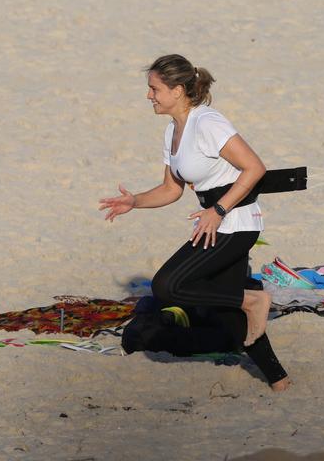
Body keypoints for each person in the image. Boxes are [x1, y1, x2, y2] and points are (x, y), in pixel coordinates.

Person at [99, 54, 290, 391]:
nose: (149, 96)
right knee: (231, 318)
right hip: (216, 223)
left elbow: (254, 167)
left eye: (154, 88)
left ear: (177, 90)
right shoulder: (174, 131)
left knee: (166, 286)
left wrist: (217, 210)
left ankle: (254, 299)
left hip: (237, 223)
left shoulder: (208, 123)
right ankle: (279, 380)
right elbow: (171, 189)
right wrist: (135, 201)